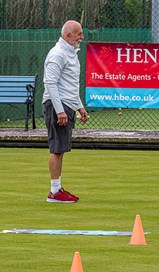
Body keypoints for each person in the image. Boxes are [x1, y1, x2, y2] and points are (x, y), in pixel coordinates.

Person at [43, 20, 88, 202]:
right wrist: (60, 111)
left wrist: (79, 106)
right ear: (68, 36)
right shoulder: (58, 54)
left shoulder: (71, 54)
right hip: (57, 106)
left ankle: (57, 189)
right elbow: (50, 83)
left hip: (66, 105)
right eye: (79, 33)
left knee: (60, 149)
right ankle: (54, 191)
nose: (82, 37)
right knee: (56, 149)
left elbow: (70, 85)